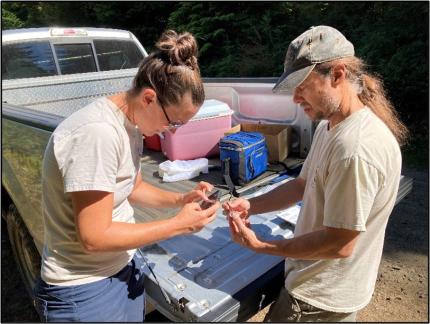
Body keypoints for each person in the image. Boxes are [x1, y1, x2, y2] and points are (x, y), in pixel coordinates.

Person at [223, 25, 408, 322]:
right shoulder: (329, 126)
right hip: (321, 287)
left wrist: (263, 246)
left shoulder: (355, 150)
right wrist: (251, 205)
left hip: (317, 301)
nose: (295, 98)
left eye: (302, 86)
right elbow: (301, 186)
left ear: (336, 75)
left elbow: (340, 243)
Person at [33, 30, 220, 322]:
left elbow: (133, 186)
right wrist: (178, 225)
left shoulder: (131, 125)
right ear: (149, 98)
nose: (172, 131)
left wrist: (183, 197)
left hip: (122, 268)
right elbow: (94, 237)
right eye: (174, 122)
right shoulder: (98, 133)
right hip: (82, 289)